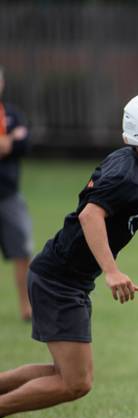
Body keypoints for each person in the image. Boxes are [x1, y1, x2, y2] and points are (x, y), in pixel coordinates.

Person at [0, 90, 138, 418]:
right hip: (59, 280)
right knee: (74, 383)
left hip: (63, 277)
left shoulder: (133, 162)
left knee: (64, 373)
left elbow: (115, 197)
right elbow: (90, 214)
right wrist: (111, 271)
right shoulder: (130, 174)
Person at [0, 66, 33, 321]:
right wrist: (10, 139)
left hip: (8, 194)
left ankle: (27, 307)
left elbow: (23, 144)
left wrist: (10, 139)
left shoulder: (12, 114)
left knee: (22, 250)